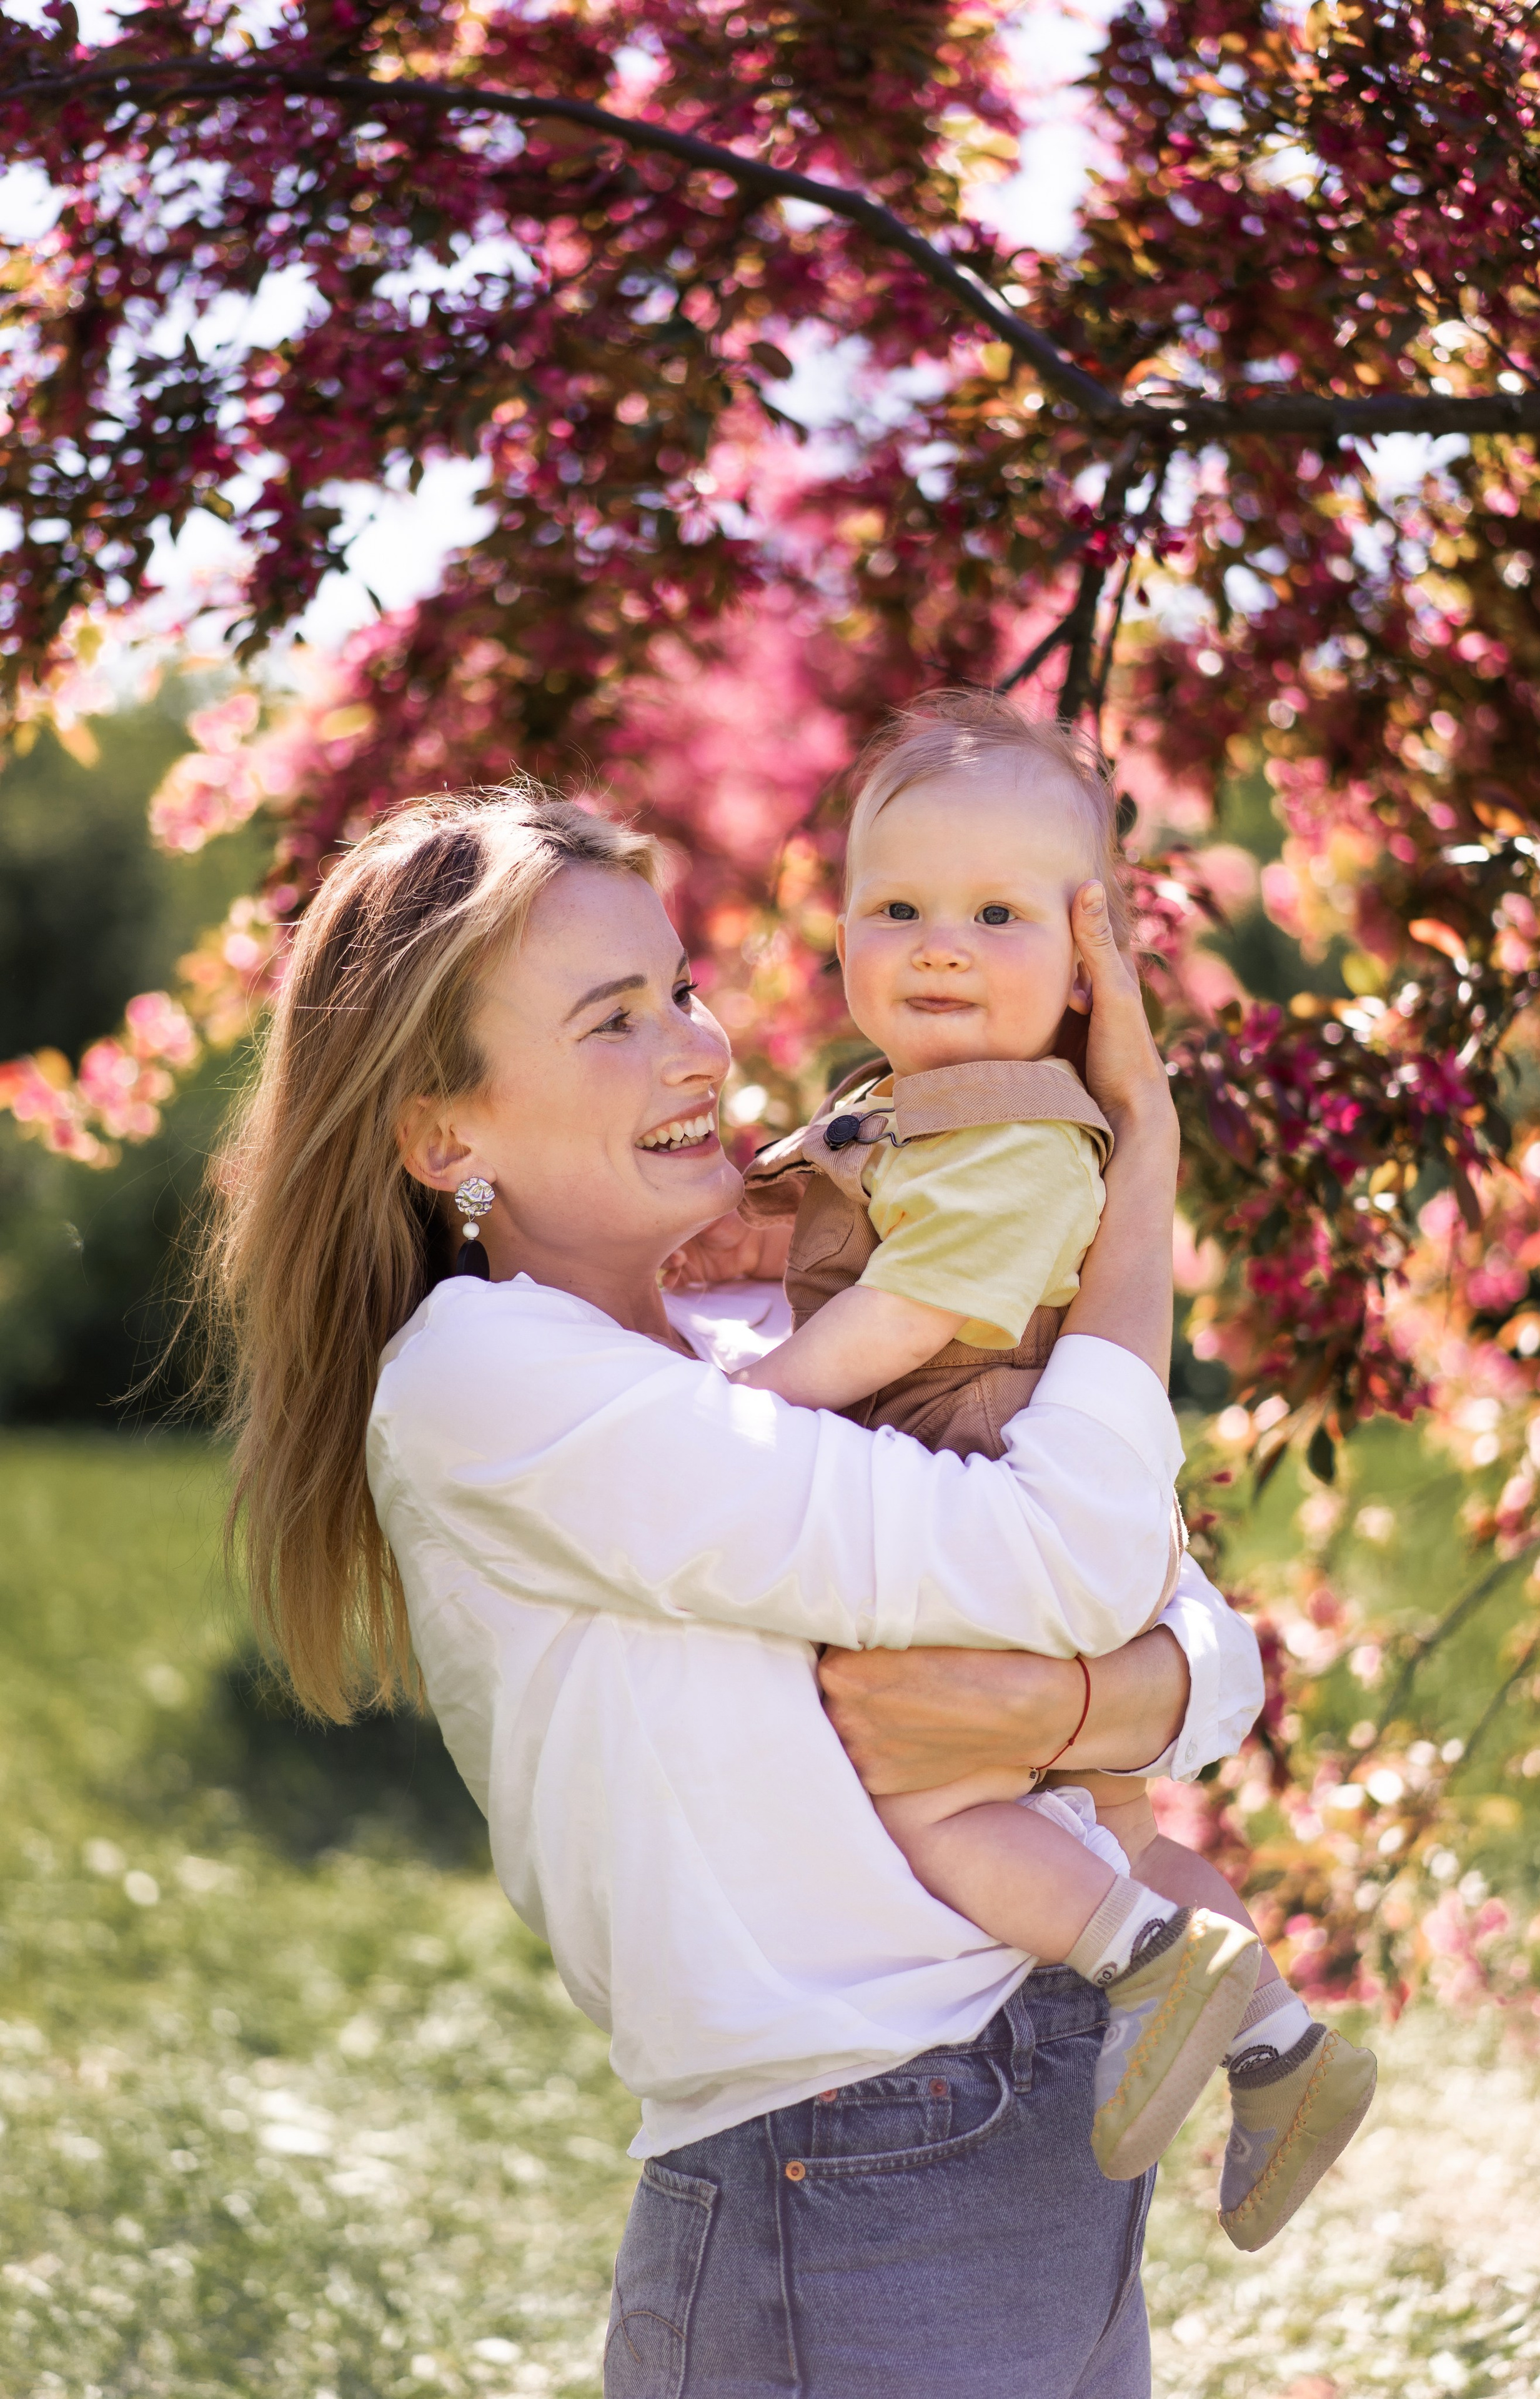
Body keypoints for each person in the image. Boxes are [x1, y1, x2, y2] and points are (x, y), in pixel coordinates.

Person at [200, 779, 1267, 2398]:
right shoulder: (496, 1387)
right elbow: (1076, 1554)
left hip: (1032, 2125)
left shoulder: (764, 1345)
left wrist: (1087, 1698)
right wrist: (1143, 1189)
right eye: (615, 1019)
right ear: (444, 1136)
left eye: (684, 990)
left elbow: (1204, 1625)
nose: (699, 1046)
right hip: (848, 2190)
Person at [729, 692, 1376, 2249]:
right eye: (897, 907)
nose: (938, 944)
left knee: (933, 1797)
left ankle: (1149, 1960)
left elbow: (915, 1309)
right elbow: (826, 1220)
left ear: (1089, 966)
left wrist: (758, 1396)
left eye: (996, 915)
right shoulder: (900, 1117)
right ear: (838, 943)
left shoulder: (1018, 1139)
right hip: (1030, 1513)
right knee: (1123, 1828)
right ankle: (1286, 2051)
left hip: (980, 1482)